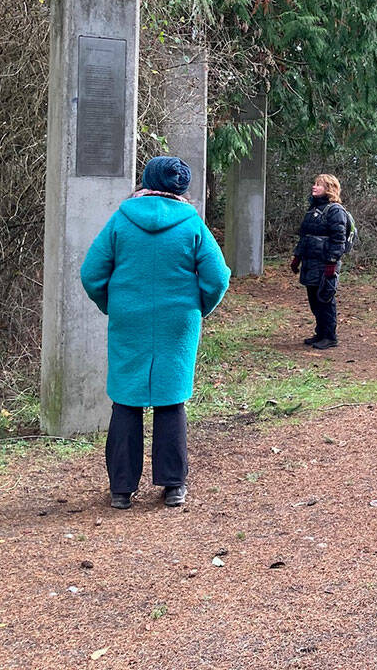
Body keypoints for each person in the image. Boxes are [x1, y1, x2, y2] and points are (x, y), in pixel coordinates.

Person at [80, 156, 230, 510]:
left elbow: (91, 273)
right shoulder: (192, 224)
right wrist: (198, 307)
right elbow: (218, 277)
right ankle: (173, 486)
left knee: (126, 400)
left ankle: (121, 489)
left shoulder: (121, 220)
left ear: (145, 180)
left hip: (128, 319)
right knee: (171, 398)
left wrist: (113, 304)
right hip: (177, 322)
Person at [291, 173, 347, 350]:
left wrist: (332, 262)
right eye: (314, 184)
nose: (314, 187)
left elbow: (339, 239)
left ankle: (330, 336)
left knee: (325, 299)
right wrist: (297, 258)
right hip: (310, 263)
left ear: (329, 189)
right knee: (314, 300)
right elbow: (305, 237)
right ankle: (320, 333)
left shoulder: (335, 210)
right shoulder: (312, 210)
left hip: (325, 264)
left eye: (319, 185)